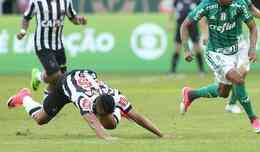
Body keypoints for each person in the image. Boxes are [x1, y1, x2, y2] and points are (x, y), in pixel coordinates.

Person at [179, 0, 260, 133]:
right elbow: (185, 25)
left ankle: (190, 94)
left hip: (237, 48)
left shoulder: (239, 3)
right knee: (238, 79)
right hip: (216, 52)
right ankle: (254, 118)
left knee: (223, 92)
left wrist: (252, 48)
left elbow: (253, 27)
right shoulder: (207, 4)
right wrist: (186, 48)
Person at [7, 69, 164, 140]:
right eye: (102, 114)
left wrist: (161, 134)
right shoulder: (85, 101)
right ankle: (24, 97)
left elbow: (137, 116)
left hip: (86, 77)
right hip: (65, 85)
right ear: (97, 109)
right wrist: (107, 138)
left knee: (110, 124)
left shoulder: (115, 95)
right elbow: (93, 123)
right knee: (40, 119)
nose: (101, 117)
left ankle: (119, 113)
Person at [16, 0, 87, 94]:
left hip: (58, 45)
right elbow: (26, 17)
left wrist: (80, 20)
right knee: (55, 75)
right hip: (42, 44)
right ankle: (38, 76)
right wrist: (23, 30)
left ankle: (45, 100)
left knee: (60, 79)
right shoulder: (36, 1)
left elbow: (72, 18)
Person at [169, 0, 204, 74]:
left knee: (196, 46)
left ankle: (201, 70)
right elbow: (173, 8)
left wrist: (202, 23)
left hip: (193, 23)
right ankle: (172, 70)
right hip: (180, 23)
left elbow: (201, 10)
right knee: (177, 46)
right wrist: (169, 22)